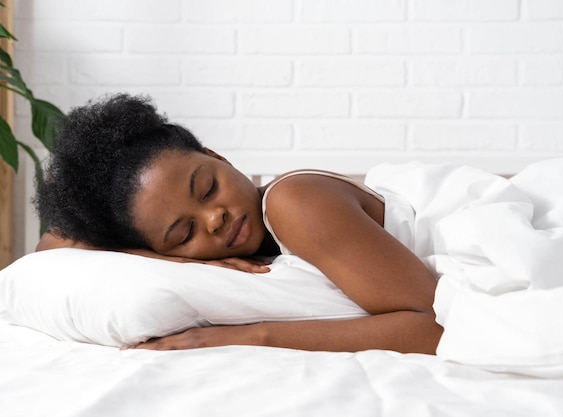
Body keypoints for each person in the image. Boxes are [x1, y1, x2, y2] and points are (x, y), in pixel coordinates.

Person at [35, 94, 443, 354]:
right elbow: (50, 246)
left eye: (208, 188)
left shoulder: (294, 203)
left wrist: (248, 336)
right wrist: (155, 257)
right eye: (184, 233)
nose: (215, 219)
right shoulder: (188, 254)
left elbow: (437, 327)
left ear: (218, 157)